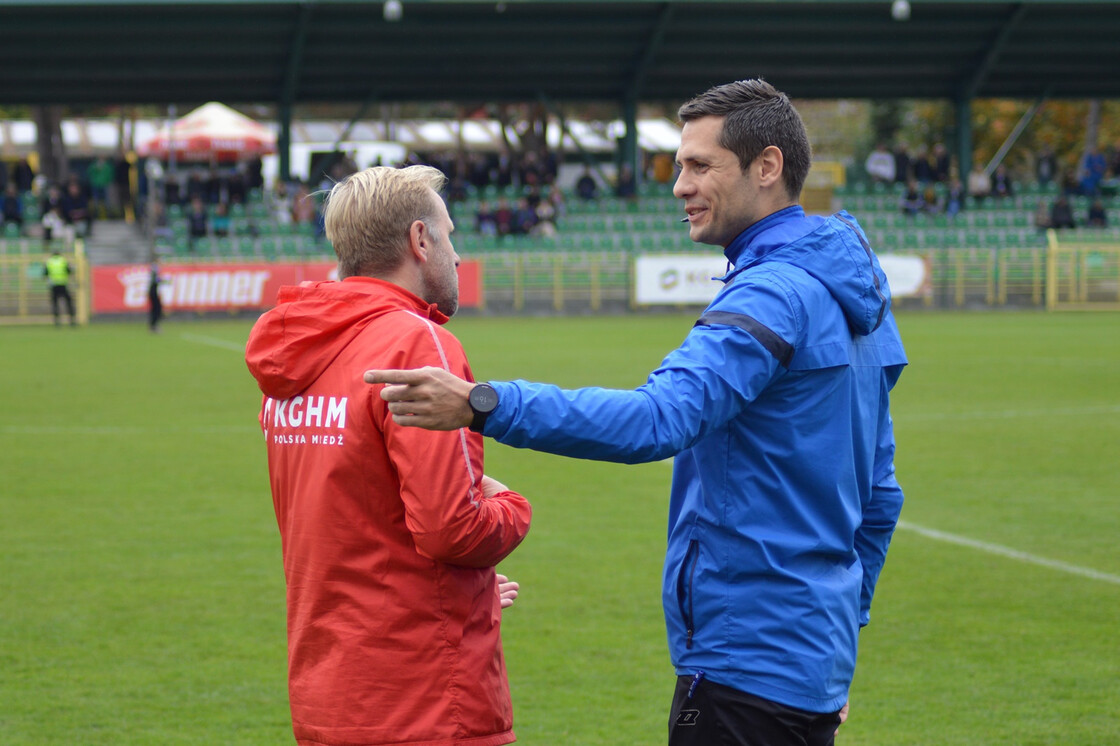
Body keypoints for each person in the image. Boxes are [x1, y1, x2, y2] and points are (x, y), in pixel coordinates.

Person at [366, 79, 906, 746]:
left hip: (744, 661)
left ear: (767, 168)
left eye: (700, 166)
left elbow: (656, 420)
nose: (679, 185)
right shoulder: (860, 302)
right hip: (808, 667)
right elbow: (880, 496)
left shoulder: (773, 296)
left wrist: (484, 403)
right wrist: (832, 645)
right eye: (680, 165)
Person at [244, 165, 532, 746]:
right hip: (425, 699)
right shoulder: (416, 343)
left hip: (333, 693)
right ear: (420, 240)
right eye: (451, 235)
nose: (457, 254)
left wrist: (464, 591)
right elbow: (453, 531)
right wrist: (511, 504)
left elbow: (357, 519)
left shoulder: (295, 349)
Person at [43, 249, 77, 326]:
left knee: (55, 303)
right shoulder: (63, 261)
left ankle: (57, 322)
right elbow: (69, 271)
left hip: (53, 285)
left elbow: (45, 273)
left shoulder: (49, 262)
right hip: (63, 284)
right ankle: (72, 321)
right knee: (68, 302)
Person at [147, 259, 167, 333]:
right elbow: (155, 280)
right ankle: (154, 326)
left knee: (155, 309)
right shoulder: (154, 269)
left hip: (153, 291)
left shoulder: (153, 269)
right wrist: (163, 280)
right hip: (153, 291)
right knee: (157, 309)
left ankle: (153, 325)